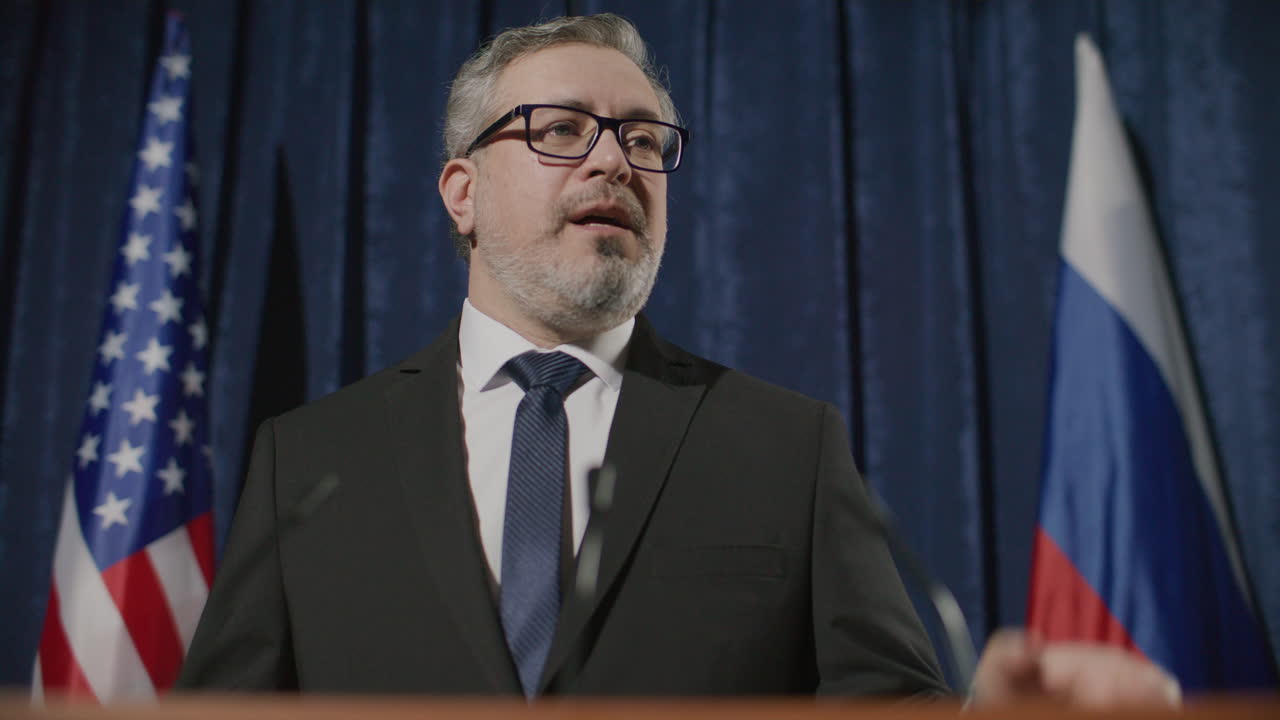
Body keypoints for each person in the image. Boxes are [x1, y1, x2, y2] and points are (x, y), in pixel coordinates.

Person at [178, 14, 1178, 706]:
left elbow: (887, 706)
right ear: (461, 191)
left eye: (643, 139)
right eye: (561, 130)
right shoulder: (308, 463)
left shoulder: (785, 448)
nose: (613, 161)